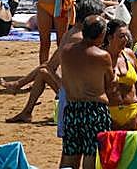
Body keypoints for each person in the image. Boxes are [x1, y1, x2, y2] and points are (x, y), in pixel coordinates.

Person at [58, 15, 115, 169]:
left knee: (70, 154)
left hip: (72, 109)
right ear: (102, 34)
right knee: (92, 154)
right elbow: (110, 84)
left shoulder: (66, 51)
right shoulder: (102, 56)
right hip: (95, 110)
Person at [105, 19, 137, 131]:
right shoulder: (101, 57)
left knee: (131, 147)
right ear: (110, 37)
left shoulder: (129, 54)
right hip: (109, 112)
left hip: (131, 111)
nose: (126, 40)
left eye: (126, 36)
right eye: (121, 36)